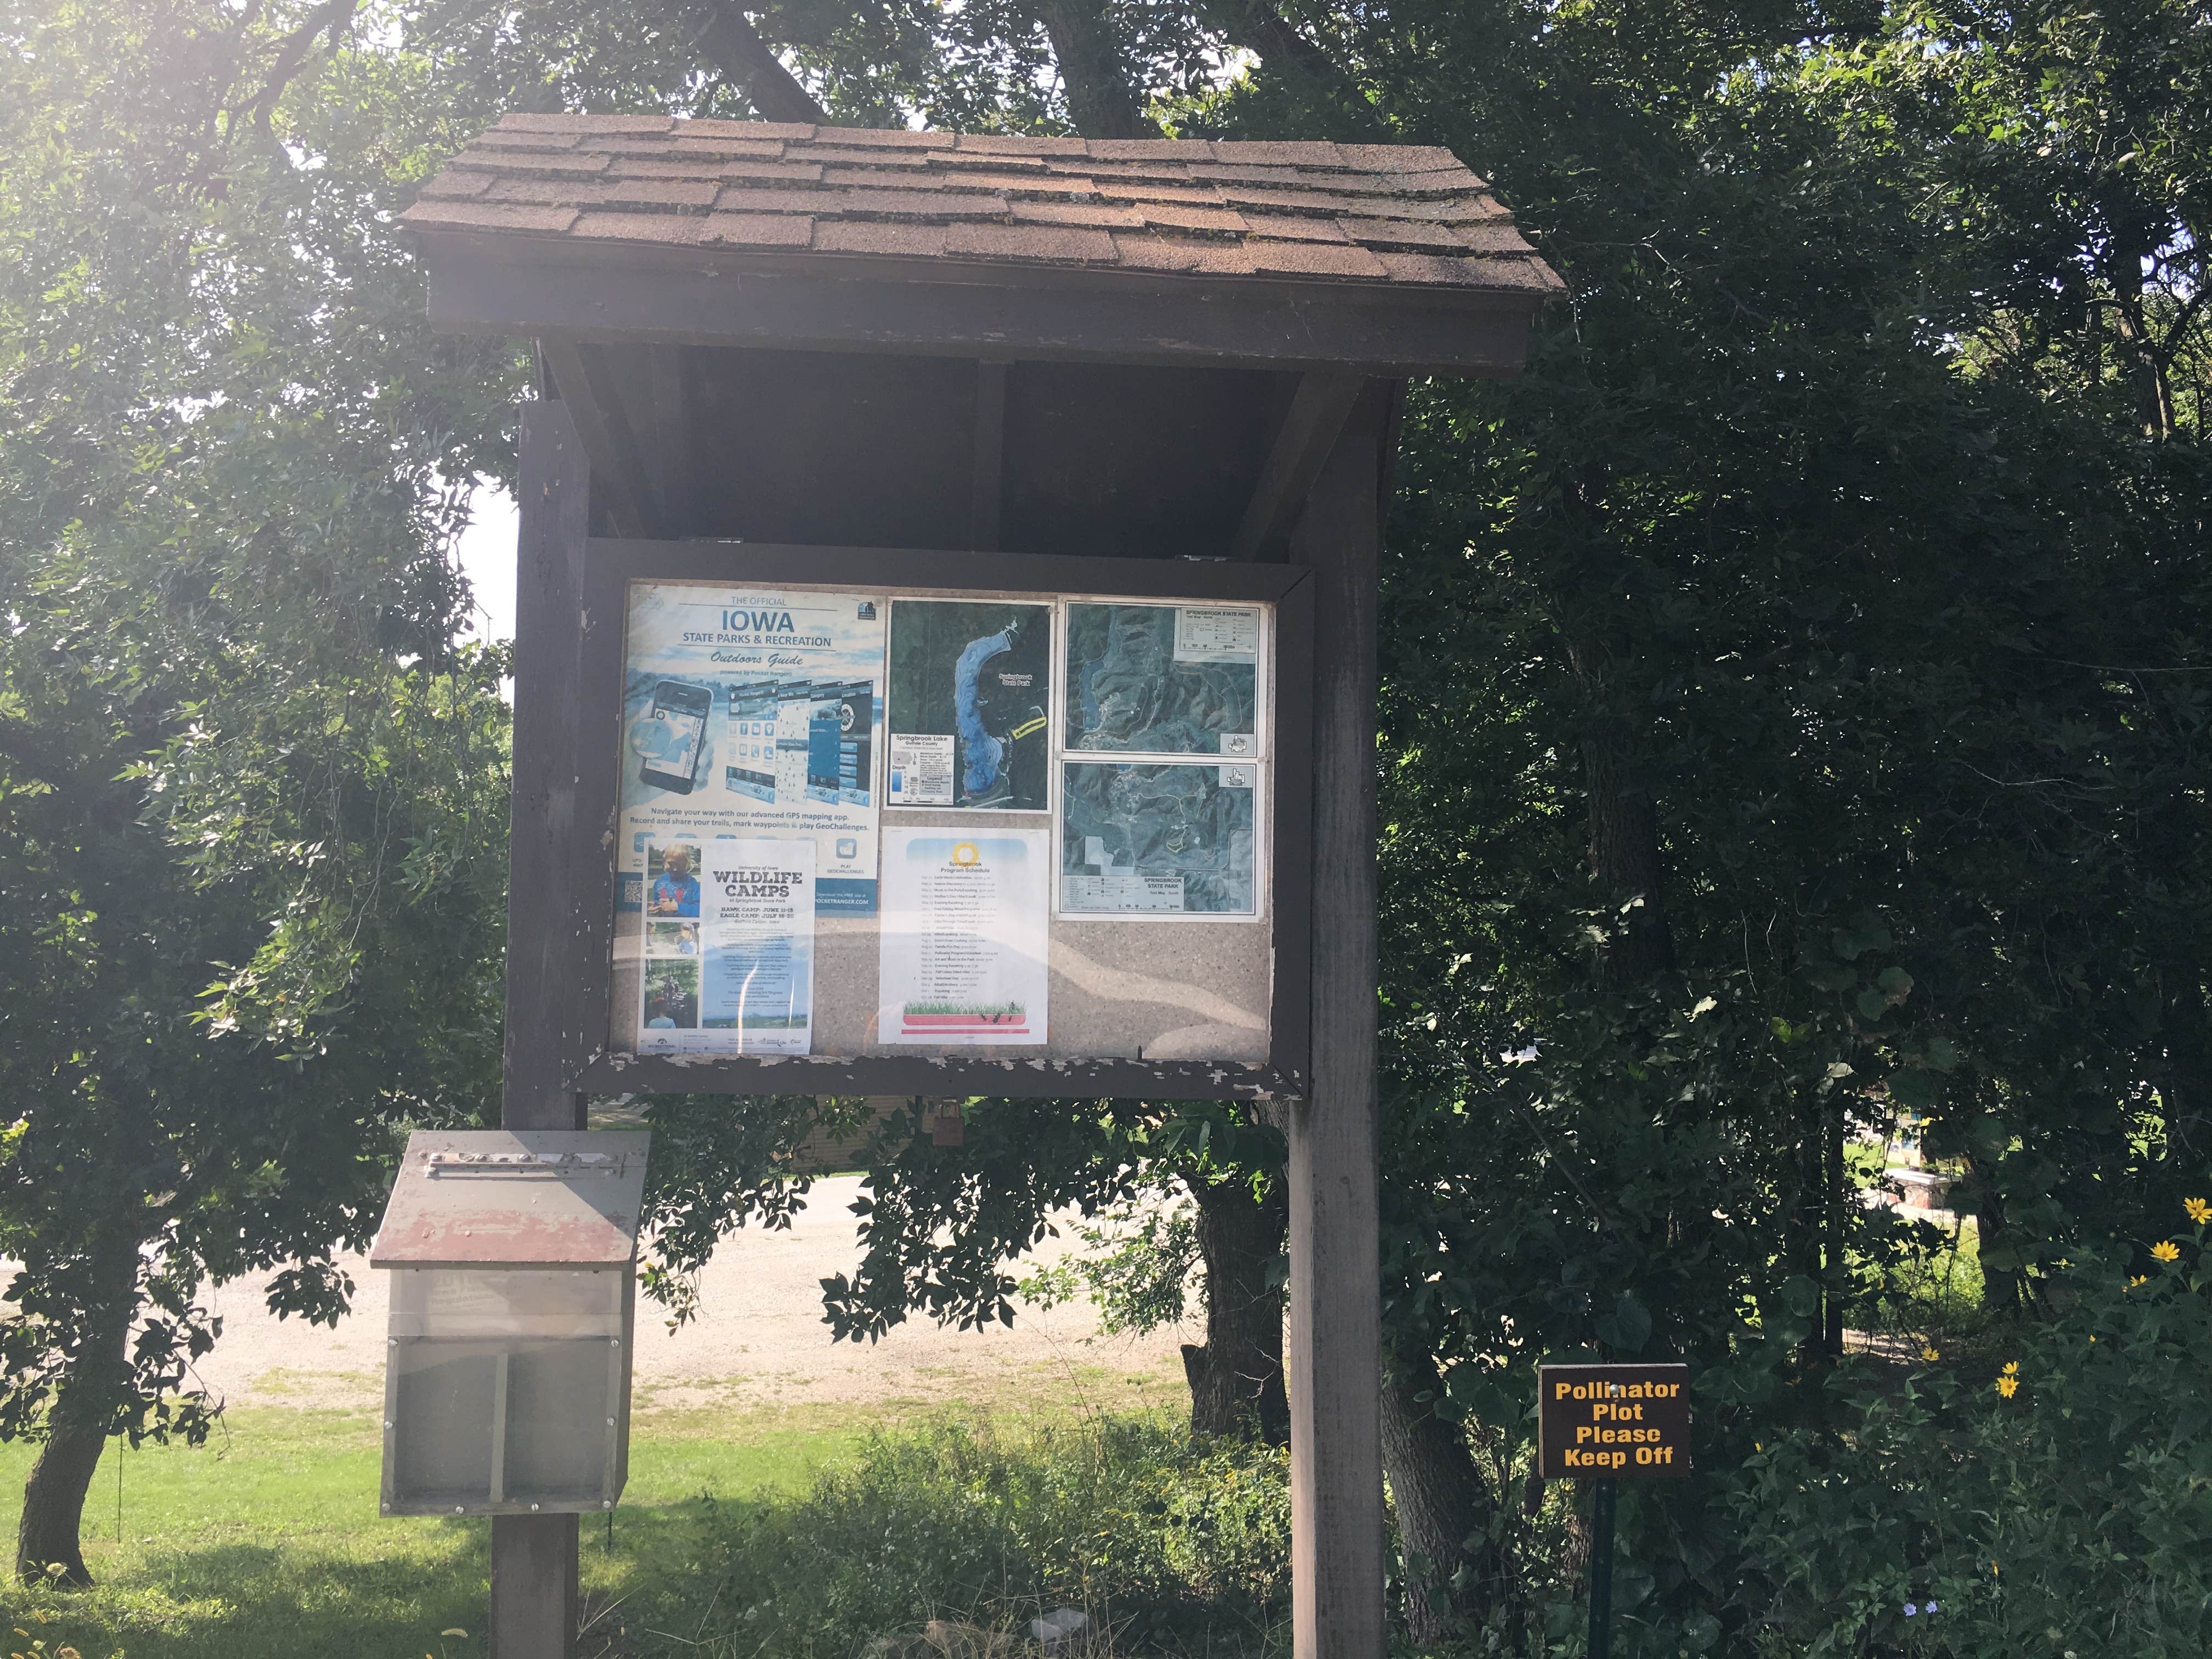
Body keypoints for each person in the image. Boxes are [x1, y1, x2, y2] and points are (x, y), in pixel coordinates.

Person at [649, 845, 700, 917]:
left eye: (680, 865)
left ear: (687, 864)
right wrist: (655, 908)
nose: (675, 869)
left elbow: (700, 910)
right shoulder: (659, 883)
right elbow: (658, 902)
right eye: (671, 864)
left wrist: (678, 907)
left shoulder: (692, 883)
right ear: (665, 862)